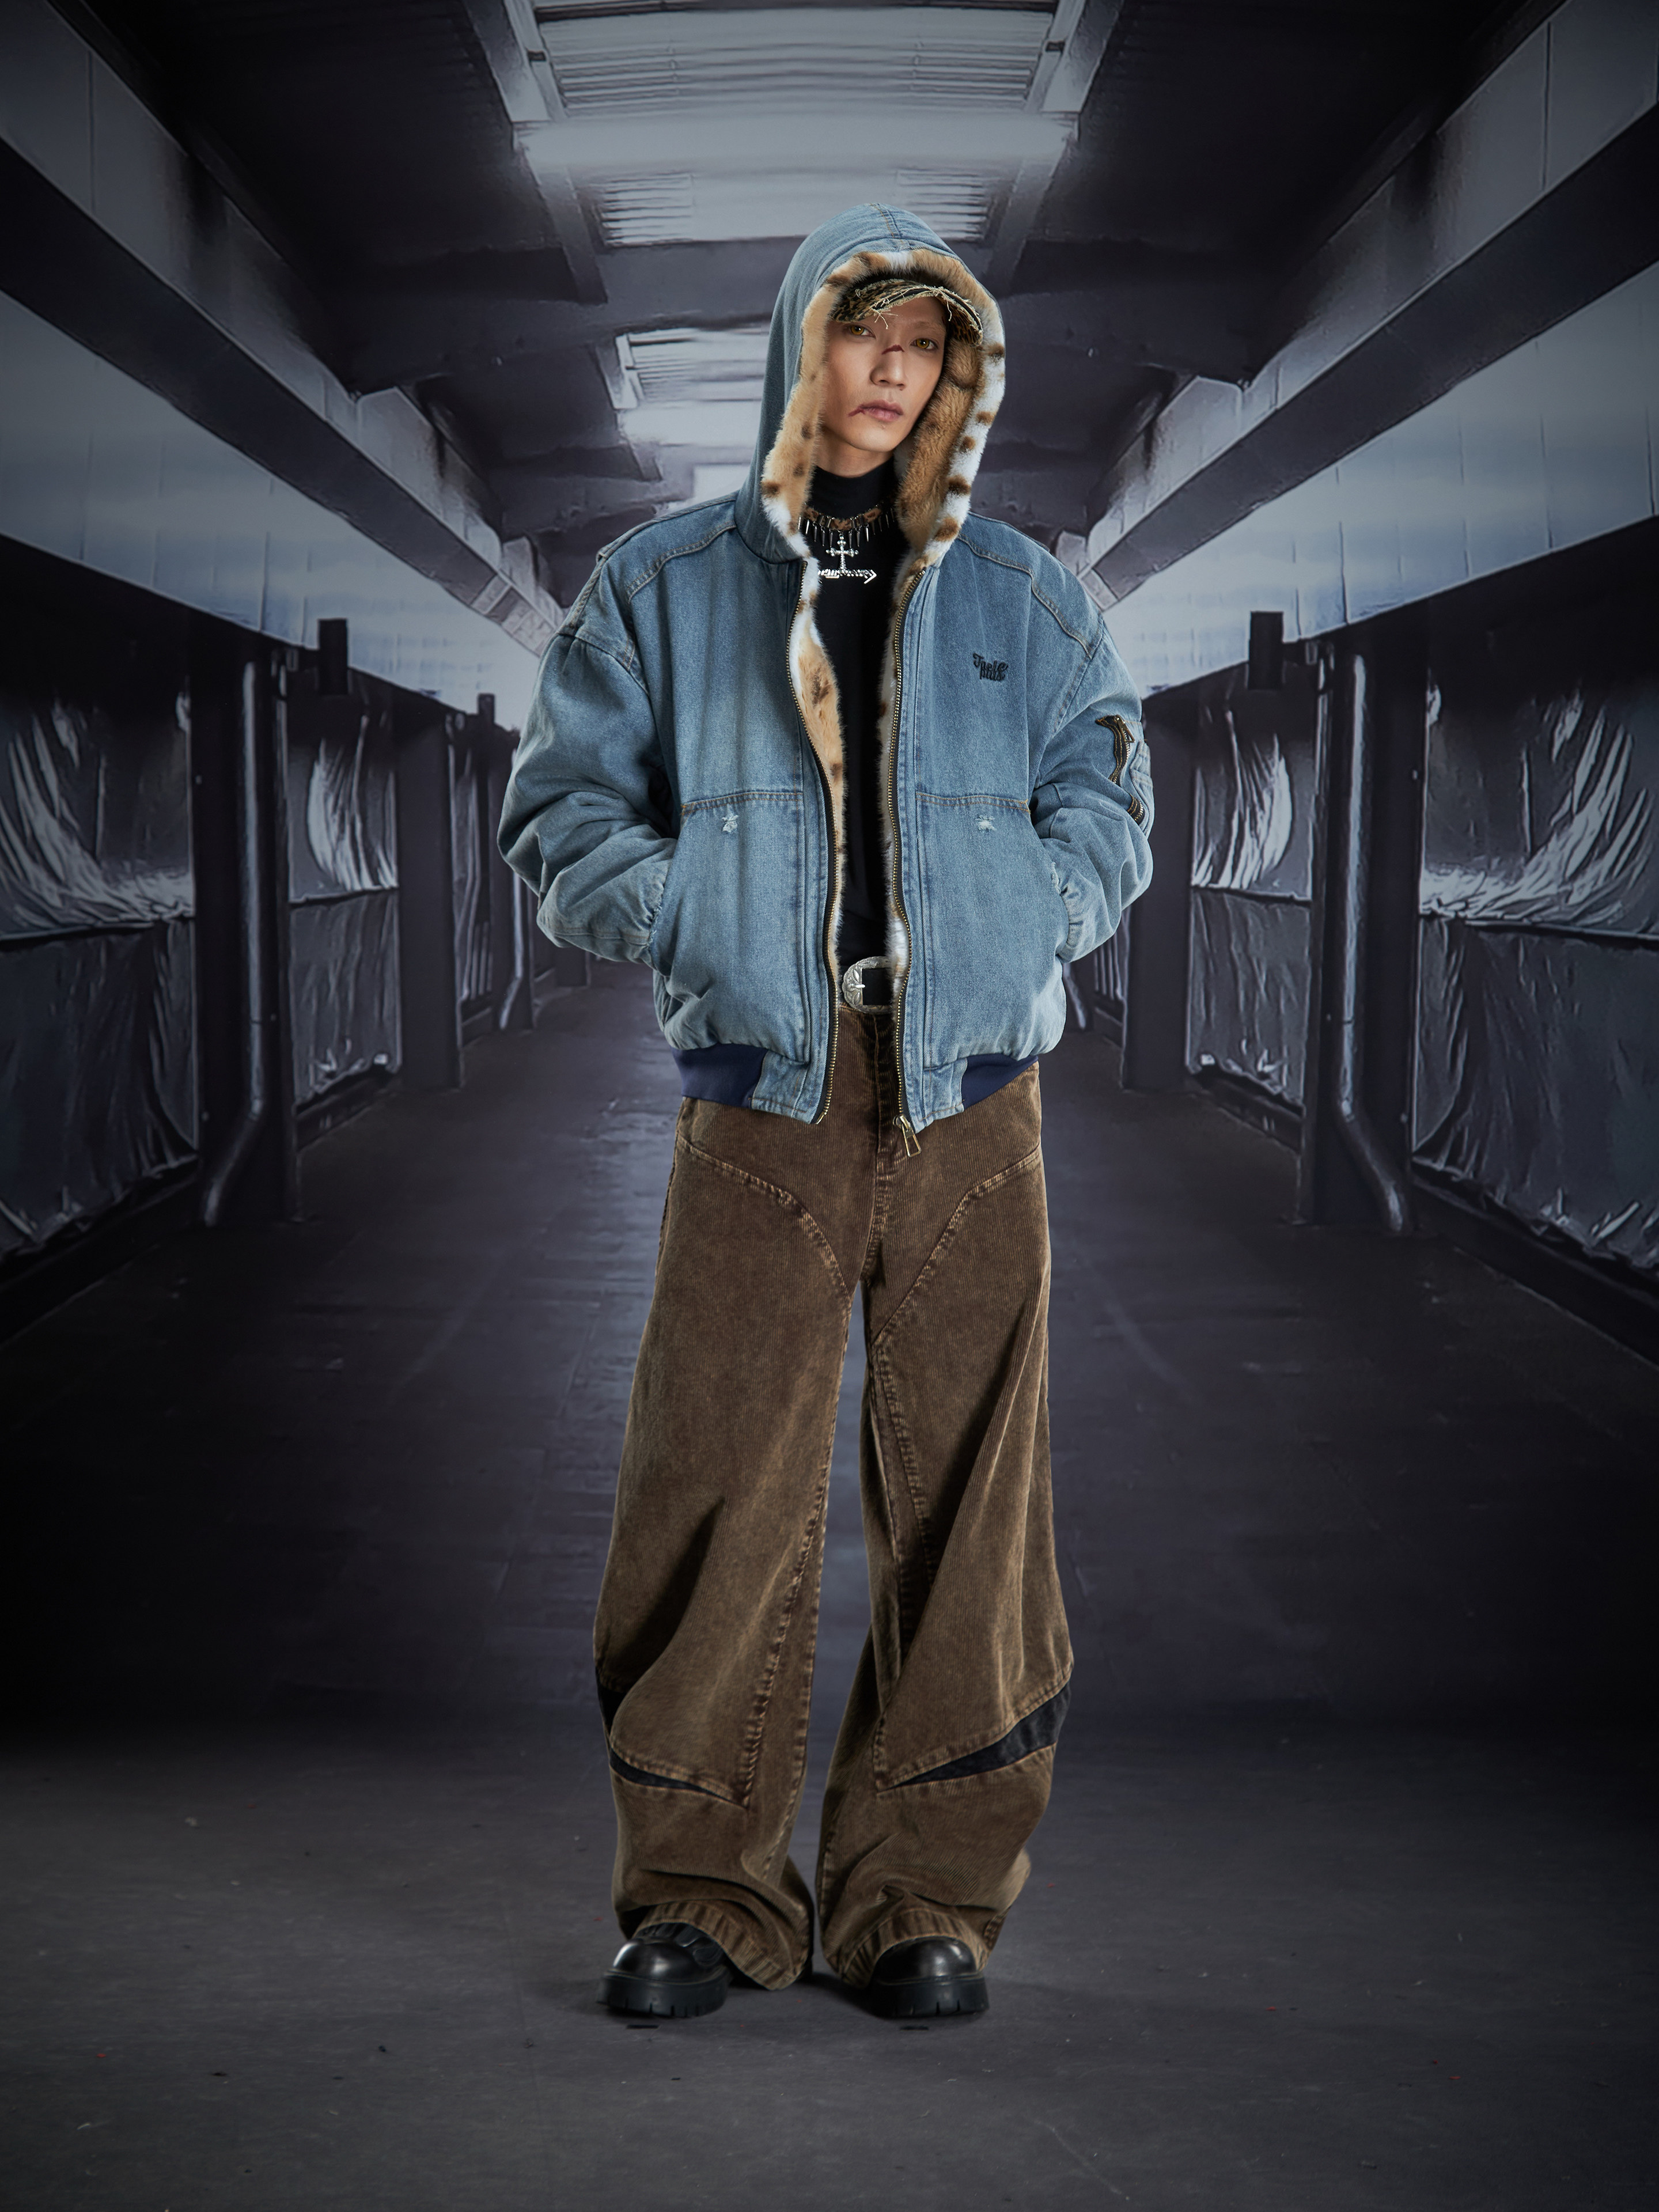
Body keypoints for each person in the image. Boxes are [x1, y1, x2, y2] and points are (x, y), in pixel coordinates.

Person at [499, 203, 1153, 2023]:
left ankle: (923, 1900)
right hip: (764, 1098)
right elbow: (560, 813)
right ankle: (700, 1897)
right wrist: (689, 918)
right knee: (716, 1483)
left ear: (960, 371)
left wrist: (1037, 916)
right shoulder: (662, 587)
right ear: (806, 345)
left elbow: (1111, 798)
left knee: (973, 1509)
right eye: (866, 335)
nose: (892, 374)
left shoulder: (1028, 598)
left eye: (926, 346)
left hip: (975, 1108)